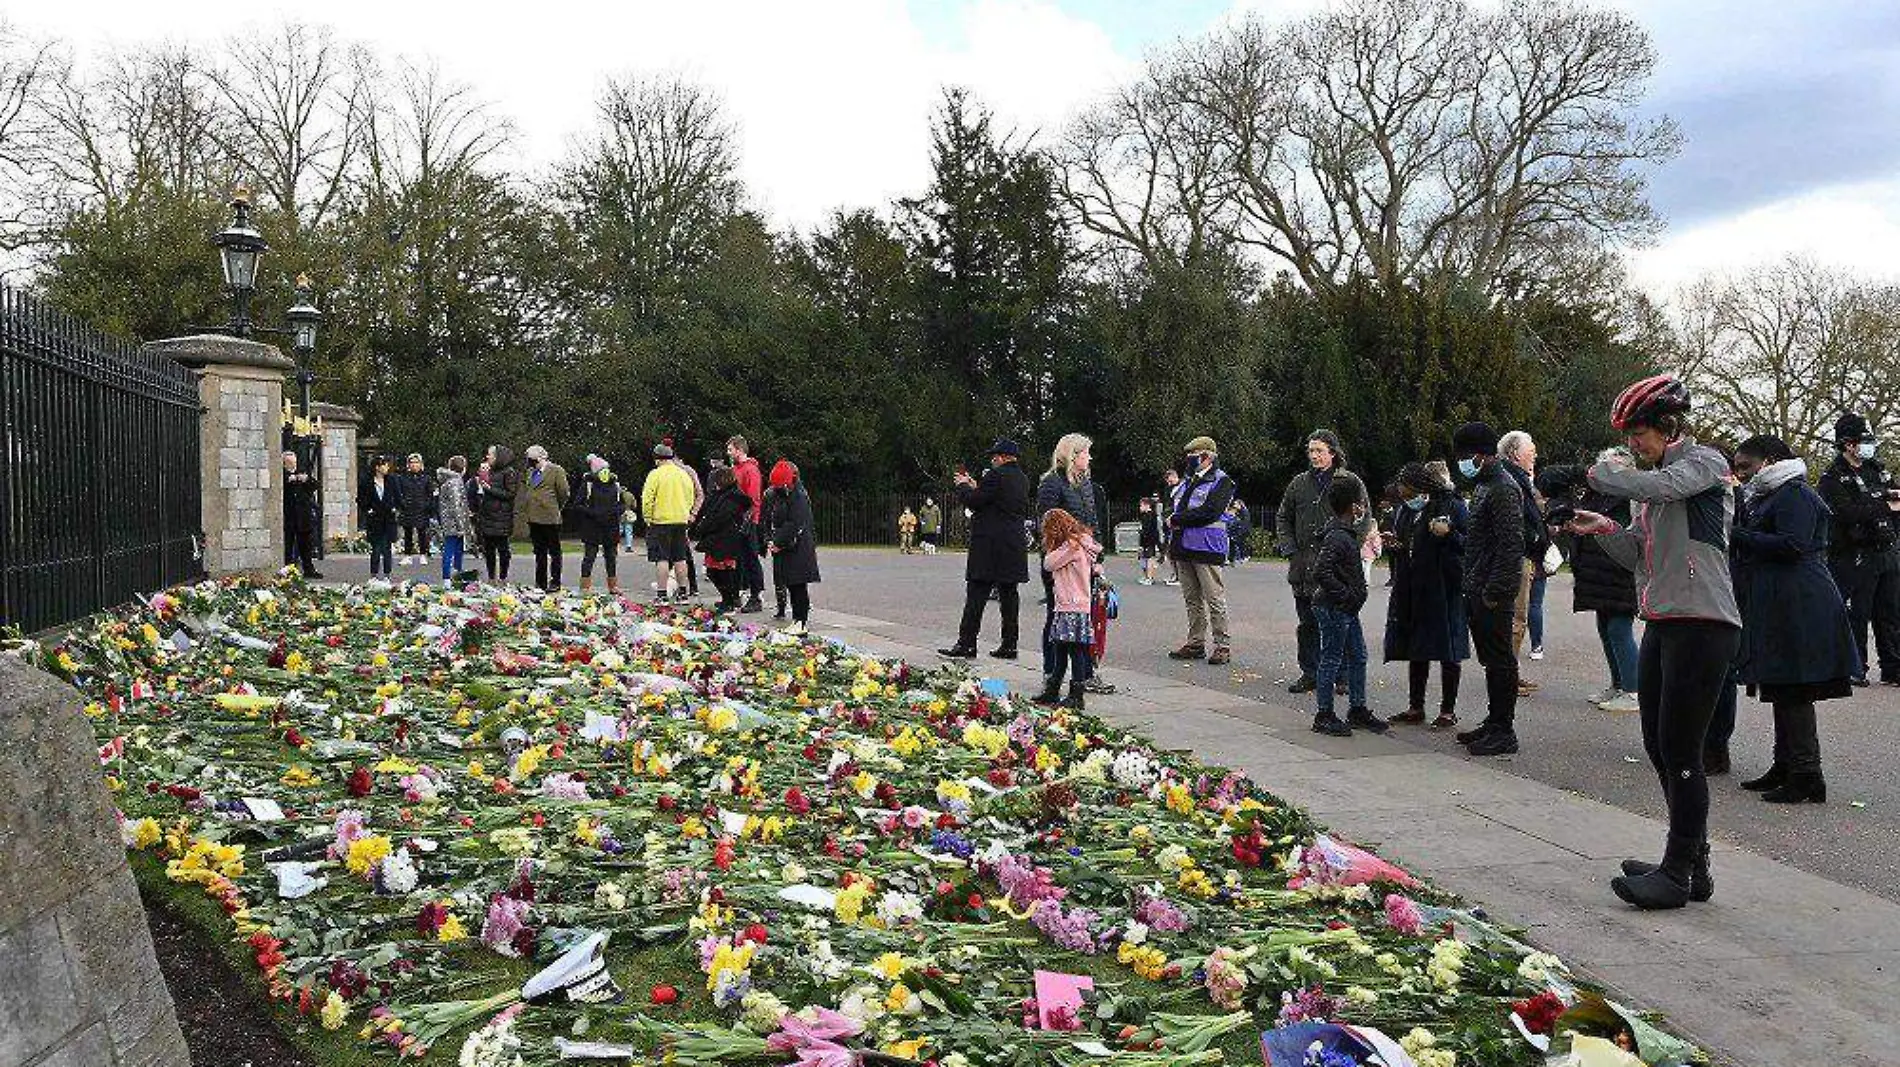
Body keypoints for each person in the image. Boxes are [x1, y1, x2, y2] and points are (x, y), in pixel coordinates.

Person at [1566, 374, 1741, 909]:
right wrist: (1603, 530)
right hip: (1665, 618)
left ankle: (1677, 870)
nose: (1632, 445)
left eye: (1637, 433)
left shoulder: (1703, 464)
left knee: (1682, 749)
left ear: (1666, 425)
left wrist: (1607, 474)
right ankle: (1692, 864)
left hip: (1704, 621)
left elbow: (1662, 487)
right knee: (1658, 746)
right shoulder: (1657, 485)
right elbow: (1639, 555)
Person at [1729, 435, 1856, 805]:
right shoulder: (1776, 494)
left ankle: (1806, 772)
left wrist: (1735, 534)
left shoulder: (1795, 494)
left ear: (1768, 462)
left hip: (1800, 600)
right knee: (1782, 684)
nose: (1741, 475)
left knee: (1794, 686)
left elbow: (1792, 544)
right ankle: (1785, 764)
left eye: (1746, 467)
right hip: (1784, 598)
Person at [1541, 457, 1641, 714]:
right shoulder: (1594, 493)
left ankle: (1633, 689)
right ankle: (1618, 684)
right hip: (1596, 574)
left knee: (1619, 629)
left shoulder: (1631, 494)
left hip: (1619, 573)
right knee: (1606, 629)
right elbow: (1552, 477)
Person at [1451, 423, 1526, 757]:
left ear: (1479, 455)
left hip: (1492, 591)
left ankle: (1504, 729)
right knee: (1491, 660)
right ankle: (1494, 722)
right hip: (1479, 586)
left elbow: (1511, 545)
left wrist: (1494, 592)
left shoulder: (1502, 488)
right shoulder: (1485, 484)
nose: (1461, 463)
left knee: (1500, 661)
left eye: (1464, 456)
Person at [1277, 430, 1371, 692]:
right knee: (1307, 623)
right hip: (1304, 566)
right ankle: (1310, 671)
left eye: (1319, 450)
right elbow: (1283, 517)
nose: (1314, 455)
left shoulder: (1350, 481)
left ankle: (1340, 675)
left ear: (1333, 451)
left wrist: (1349, 549)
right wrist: (1290, 550)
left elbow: (1362, 519)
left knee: (1338, 621)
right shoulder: (1298, 483)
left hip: (1336, 567)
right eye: (1311, 451)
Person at [1383, 461, 1468, 729]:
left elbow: (1469, 543)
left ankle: (1447, 710)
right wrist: (1396, 546)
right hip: (1415, 586)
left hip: (1446, 586)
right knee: (1416, 646)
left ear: (1424, 488)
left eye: (1411, 494)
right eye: (1404, 496)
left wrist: (1449, 533)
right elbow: (1410, 543)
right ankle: (1415, 706)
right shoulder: (1407, 512)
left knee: (1448, 648)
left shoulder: (1453, 506)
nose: (1408, 500)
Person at [1817, 413, 1900, 685]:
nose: (1868, 446)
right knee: (1857, 614)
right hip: (1854, 554)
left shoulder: (1876, 469)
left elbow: (1889, 498)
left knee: (1890, 612)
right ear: (1848, 444)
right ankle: (1855, 666)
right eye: (1863, 441)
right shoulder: (1832, 478)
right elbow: (1847, 513)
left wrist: (1891, 499)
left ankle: (1893, 667)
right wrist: (1885, 505)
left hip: (1886, 550)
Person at [939, 439, 1032, 659]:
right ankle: (1010, 644)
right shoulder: (1022, 479)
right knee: (1009, 596)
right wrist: (976, 486)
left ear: (1002, 457)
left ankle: (967, 643)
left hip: (990, 546)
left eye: (994, 456)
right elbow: (995, 500)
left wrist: (962, 485)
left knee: (976, 594)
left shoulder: (995, 475)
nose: (992, 459)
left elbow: (974, 502)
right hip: (1013, 544)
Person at [1311, 479, 1387, 736]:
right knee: (1331, 657)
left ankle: (1357, 708)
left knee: (1358, 655)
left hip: (1346, 607)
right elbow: (1322, 571)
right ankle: (1324, 714)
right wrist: (1345, 595)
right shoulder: (1338, 536)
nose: (1363, 509)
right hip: (1336, 606)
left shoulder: (1343, 534)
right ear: (1354, 506)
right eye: (1362, 504)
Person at [1166, 436, 1238, 665]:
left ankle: (1222, 645)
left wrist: (1177, 519)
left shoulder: (1222, 481)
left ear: (1207, 456)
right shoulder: (1187, 482)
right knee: (1192, 599)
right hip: (1183, 547)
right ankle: (1195, 643)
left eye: (1193, 457)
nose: (1189, 461)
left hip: (1206, 547)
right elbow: (1177, 508)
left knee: (1214, 598)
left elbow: (1210, 512)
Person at [1036, 434, 1100, 679]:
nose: (1089, 457)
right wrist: (1056, 558)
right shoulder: (1051, 482)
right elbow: (1048, 525)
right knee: (1056, 614)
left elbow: (1093, 521)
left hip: (1084, 561)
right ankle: (1051, 671)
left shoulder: (1084, 482)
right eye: (1085, 453)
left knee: (1084, 616)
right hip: (1061, 562)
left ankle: (1083, 674)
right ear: (1073, 455)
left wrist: (1097, 558)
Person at [1033, 507, 1101, 710]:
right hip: (1073, 604)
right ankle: (1053, 690)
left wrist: (1051, 548)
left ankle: (1076, 695)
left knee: (1075, 650)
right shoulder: (1080, 542)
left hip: (1072, 604)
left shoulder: (1070, 546)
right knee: (1061, 648)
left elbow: (1048, 563)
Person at [1497, 430, 1546, 693]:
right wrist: (1536, 536)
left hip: (1522, 556)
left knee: (1518, 618)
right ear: (1515, 454)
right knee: (1515, 619)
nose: (1535, 454)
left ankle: (1511, 672)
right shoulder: (1511, 481)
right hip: (1516, 559)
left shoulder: (1517, 479)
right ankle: (1507, 678)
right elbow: (1517, 522)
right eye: (1531, 450)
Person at [766, 459, 820, 634]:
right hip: (789, 546)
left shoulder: (798, 497)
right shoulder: (788, 494)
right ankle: (797, 619)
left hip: (798, 547)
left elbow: (794, 524)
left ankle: (801, 621)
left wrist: (778, 542)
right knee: (792, 584)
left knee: (798, 585)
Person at [690, 466, 753, 612]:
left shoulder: (732, 497)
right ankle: (728, 599)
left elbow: (719, 518)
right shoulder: (723, 495)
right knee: (717, 572)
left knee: (721, 572)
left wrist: (701, 528)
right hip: (719, 540)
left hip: (725, 541)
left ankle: (729, 601)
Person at [641, 444, 696, 602]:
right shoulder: (683, 474)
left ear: (657, 459)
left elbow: (647, 499)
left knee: (662, 558)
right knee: (680, 557)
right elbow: (690, 496)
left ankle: (662, 594)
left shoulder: (655, 474)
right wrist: (686, 513)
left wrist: (648, 518)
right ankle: (683, 593)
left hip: (660, 521)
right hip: (680, 520)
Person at [570, 455, 627, 594]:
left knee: (611, 557)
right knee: (589, 557)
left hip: (611, 526)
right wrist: (593, 512)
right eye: (601, 470)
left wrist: (615, 511)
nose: (604, 472)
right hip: (592, 527)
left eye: (606, 469)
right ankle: (585, 587)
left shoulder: (615, 484)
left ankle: (613, 586)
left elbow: (623, 504)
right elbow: (577, 504)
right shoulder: (588, 483)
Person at [517, 445, 570, 591]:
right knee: (539, 552)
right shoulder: (530, 472)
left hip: (550, 518)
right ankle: (540, 583)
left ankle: (555, 582)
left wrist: (555, 507)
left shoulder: (556, 470)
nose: (530, 463)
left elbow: (564, 493)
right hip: (533, 518)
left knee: (554, 552)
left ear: (541, 457)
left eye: (532, 459)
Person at [726, 436, 766, 612]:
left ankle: (756, 596)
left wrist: (747, 520)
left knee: (751, 559)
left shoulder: (750, 470)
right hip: (736, 520)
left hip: (747, 522)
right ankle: (737, 595)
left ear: (739, 450)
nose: (728, 453)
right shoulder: (735, 469)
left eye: (730, 450)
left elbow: (754, 499)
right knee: (738, 560)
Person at [472, 445, 519, 582]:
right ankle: (491, 577)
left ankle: (503, 577)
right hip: (487, 515)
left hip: (501, 517)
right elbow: (480, 491)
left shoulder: (509, 472)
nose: (487, 457)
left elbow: (510, 494)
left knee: (503, 550)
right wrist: (479, 482)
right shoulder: (488, 471)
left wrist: (489, 489)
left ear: (499, 457)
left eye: (490, 454)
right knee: (489, 550)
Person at [358, 455, 400, 579]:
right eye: (384, 465)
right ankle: (374, 574)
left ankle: (387, 574)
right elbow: (360, 499)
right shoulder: (367, 481)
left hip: (388, 518)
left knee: (387, 548)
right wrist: (368, 510)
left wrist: (395, 508)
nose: (387, 467)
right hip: (375, 519)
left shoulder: (392, 480)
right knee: (375, 548)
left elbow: (398, 497)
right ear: (377, 467)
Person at [282, 450, 322, 579]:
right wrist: (289, 479)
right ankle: (288, 570)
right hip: (288, 516)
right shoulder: (281, 475)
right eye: (289, 463)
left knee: (306, 545)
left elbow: (316, 485)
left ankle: (309, 569)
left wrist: (307, 479)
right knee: (288, 545)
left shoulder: (302, 473)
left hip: (303, 516)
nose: (292, 465)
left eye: (293, 463)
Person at [436, 455, 473, 586]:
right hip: (455, 523)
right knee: (451, 550)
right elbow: (456, 506)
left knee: (455, 550)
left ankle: (455, 576)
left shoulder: (448, 481)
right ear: (463, 468)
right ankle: (448, 579)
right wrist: (461, 525)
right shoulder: (455, 482)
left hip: (448, 521)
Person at [396, 453, 435, 565]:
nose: (414, 465)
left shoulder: (426, 478)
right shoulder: (403, 478)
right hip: (407, 509)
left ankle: (423, 554)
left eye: (416, 462)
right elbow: (399, 493)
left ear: (421, 464)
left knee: (422, 533)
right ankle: (407, 555)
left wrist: (426, 506)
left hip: (421, 509)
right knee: (407, 533)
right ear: (408, 464)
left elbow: (430, 495)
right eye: (412, 462)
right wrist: (402, 504)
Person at [1159, 469, 1182, 585]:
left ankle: (1178, 577)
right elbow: (1167, 505)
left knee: (1175, 552)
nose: (1168, 483)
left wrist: (1172, 516)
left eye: (1169, 480)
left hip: (1177, 523)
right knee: (1170, 552)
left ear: (1174, 475)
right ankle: (1175, 574)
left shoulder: (1182, 487)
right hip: (1169, 522)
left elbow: (1179, 506)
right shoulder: (1169, 489)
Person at [1137, 496, 1161, 585]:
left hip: (1149, 541)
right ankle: (1146, 576)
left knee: (1150, 559)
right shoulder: (1144, 516)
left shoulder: (1151, 516)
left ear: (1147, 505)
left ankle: (1150, 578)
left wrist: (1143, 533)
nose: (1140, 507)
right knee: (1143, 559)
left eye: (1141, 505)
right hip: (1144, 541)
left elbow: (1150, 530)